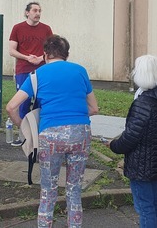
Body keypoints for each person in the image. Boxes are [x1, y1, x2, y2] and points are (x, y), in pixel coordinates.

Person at [6, 35, 98, 228]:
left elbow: (11, 107)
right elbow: (94, 109)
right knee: (74, 189)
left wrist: (25, 128)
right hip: (80, 133)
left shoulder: (36, 75)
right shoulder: (80, 71)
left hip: (50, 135)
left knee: (48, 190)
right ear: (67, 54)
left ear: (45, 54)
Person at [107, 55, 157, 228]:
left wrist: (114, 145)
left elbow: (132, 136)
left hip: (141, 163)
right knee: (154, 202)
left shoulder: (144, 102)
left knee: (144, 207)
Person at [8, 2, 53, 146]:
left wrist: (41, 58)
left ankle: (39, 135)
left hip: (42, 70)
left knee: (40, 102)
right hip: (23, 70)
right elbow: (12, 50)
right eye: (34, 10)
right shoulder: (18, 28)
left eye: (39, 10)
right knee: (23, 103)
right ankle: (24, 136)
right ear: (27, 12)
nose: (38, 13)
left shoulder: (46, 29)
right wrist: (27, 57)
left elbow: (52, 47)